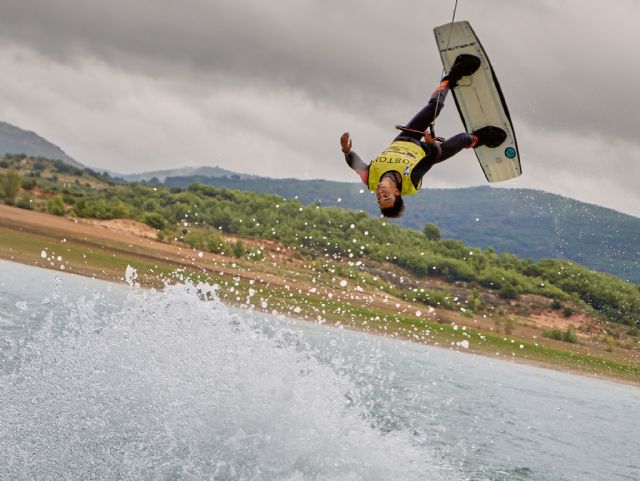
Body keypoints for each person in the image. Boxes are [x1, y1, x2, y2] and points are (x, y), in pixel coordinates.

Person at [340, 54, 506, 218]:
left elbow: (355, 164)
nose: (380, 195)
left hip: (405, 138)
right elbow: (433, 157)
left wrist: (346, 151)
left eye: (379, 199)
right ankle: (479, 138)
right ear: (397, 192)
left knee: (436, 105)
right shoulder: (410, 181)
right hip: (428, 152)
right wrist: (432, 143)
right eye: (386, 197)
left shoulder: (370, 179)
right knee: (463, 138)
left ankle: (452, 77)